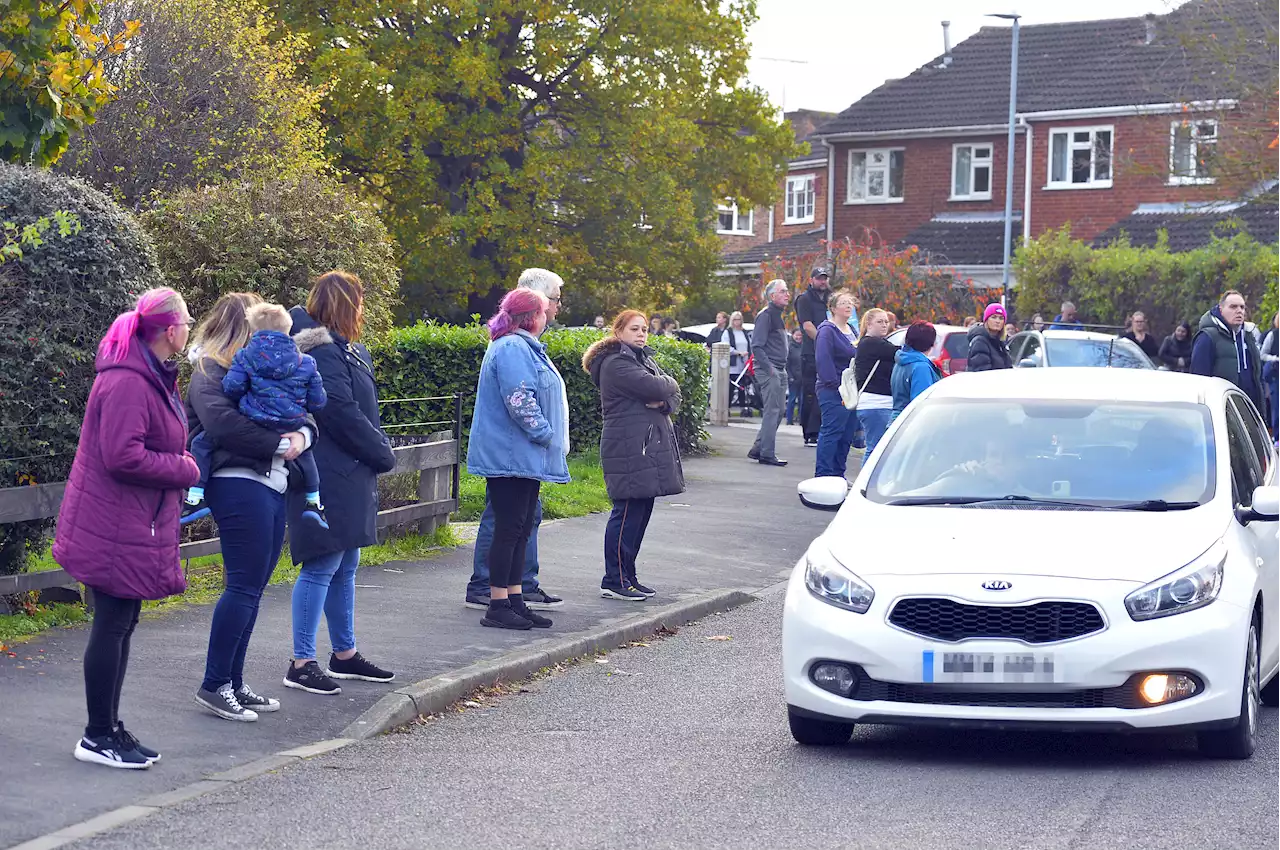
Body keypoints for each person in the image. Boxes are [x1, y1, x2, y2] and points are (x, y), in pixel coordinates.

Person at [55, 289, 200, 769]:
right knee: (112, 624)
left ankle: (110, 729)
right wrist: (184, 469)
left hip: (131, 521)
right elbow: (122, 455)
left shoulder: (152, 375)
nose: (190, 327)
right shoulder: (129, 381)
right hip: (113, 523)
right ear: (168, 330)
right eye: (185, 320)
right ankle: (97, 735)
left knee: (123, 623)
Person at [189, 293, 308, 721]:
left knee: (253, 585)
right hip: (237, 481)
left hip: (271, 481)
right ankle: (215, 683)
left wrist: (303, 436)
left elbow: (305, 406)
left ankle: (233, 681)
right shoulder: (209, 369)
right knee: (242, 585)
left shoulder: (261, 367)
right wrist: (281, 441)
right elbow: (222, 425)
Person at [284, 272, 399, 695]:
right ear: (347, 305)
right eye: (361, 301)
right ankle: (301, 661)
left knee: (345, 564)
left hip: (350, 471)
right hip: (327, 471)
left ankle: (344, 654)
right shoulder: (324, 352)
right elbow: (341, 411)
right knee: (322, 565)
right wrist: (381, 451)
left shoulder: (348, 350)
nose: (365, 311)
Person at [465, 269, 568, 611]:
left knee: (519, 527)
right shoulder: (512, 347)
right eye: (549, 305)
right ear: (532, 314)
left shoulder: (524, 346)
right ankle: (497, 602)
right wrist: (545, 433)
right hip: (510, 454)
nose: (554, 311)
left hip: (522, 455)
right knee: (509, 528)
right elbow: (519, 398)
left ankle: (515, 597)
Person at [183, 304, 329, 530]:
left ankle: (194, 495)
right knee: (305, 455)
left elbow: (232, 388)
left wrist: (246, 395)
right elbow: (317, 401)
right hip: (290, 422)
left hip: (257, 418)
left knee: (202, 443)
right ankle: (314, 500)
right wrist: (299, 424)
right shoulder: (305, 361)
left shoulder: (244, 357)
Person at [583, 311, 684, 600]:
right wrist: (667, 387)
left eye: (644, 329)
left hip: (644, 447)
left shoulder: (641, 359)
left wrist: (665, 399)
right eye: (634, 329)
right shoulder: (616, 364)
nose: (641, 334)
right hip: (627, 447)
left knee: (640, 514)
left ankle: (629, 576)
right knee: (626, 513)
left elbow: (671, 396)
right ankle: (613, 579)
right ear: (618, 332)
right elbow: (661, 386)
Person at [1191, 290, 1264, 412]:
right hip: (1220, 410)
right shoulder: (1208, 337)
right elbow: (1199, 379)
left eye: (1242, 307)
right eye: (1233, 307)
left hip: (1249, 409)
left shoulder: (1248, 337)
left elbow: (1257, 378)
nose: (1239, 311)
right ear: (1221, 309)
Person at [814, 289, 859, 478]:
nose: (848, 306)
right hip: (833, 390)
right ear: (832, 308)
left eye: (850, 302)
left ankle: (838, 473)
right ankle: (823, 474)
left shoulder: (853, 330)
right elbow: (823, 359)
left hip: (852, 389)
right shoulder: (827, 330)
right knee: (832, 431)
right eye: (843, 303)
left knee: (847, 434)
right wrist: (835, 385)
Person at [747, 279, 791, 467]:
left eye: (787, 291)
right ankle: (766, 453)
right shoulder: (766, 315)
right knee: (773, 411)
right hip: (770, 369)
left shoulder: (776, 315)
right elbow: (756, 345)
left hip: (778, 368)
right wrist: (771, 369)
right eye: (783, 291)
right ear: (772, 296)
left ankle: (759, 448)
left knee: (778, 410)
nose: (787, 294)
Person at [794, 265, 833, 446]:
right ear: (811, 280)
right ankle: (809, 433)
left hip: (831, 353)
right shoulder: (805, 299)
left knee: (827, 391)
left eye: (824, 278)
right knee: (811, 393)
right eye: (819, 278)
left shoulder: (831, 298)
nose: (822, 281)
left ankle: (822, 429)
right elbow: (807, 326)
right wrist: (825, 341)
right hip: (812, 353)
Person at [854, 308, 897, 458]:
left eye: (886, 321)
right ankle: (868, 481)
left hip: (878, 403)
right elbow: (900, 353)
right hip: (876, 403)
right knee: (875, 450)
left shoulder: (877, 343)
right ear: (869, 324)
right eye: (880, 321)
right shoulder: (872, 343)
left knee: (877, 449)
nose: (885, 325)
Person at [891, 321, 943, 421]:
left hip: (897, 421)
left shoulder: (901, 360)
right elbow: (921, 404)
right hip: (911, 424)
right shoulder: (921, 367)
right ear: (931, 343)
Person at [967, 304, 1013, 372]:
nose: (997, 321)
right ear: (986, 320)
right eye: (994, 317)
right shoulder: (980, 342)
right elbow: (983, 372)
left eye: (1001, 318)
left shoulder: (1000, 343)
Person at [724, 311, 751, 411]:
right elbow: (726, 346)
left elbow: (749, 345)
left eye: (739, 319)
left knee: (742, 387)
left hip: (744, 365)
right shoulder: (728, 332)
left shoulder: (744, 332)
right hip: (733, 365)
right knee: (731, 387)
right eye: (735, 319)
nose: (737, 322)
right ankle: (728, 408)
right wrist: (738, 352)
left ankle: (743, 408)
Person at [1260, 312, 1280, 435]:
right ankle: (1277, 437)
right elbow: (1262, 354)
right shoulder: (1273, 335)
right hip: (1276, 374)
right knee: (1277, 407)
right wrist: (1276, 359)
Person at [785, 328, 803, 425]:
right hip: (793, 378)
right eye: (797, 335)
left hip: (803, 377)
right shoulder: (789, 347)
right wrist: (790, 376)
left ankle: (801, 418)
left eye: (800, 335)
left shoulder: (805, 347)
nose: (799, 337)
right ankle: (789, 419)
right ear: (792, 335)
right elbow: (787, 364)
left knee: (802, 400)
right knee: (792, 399)